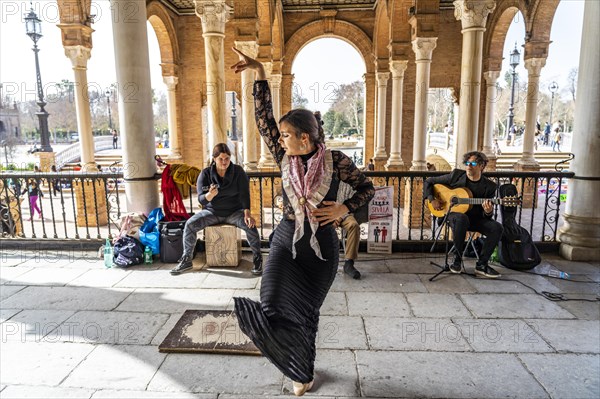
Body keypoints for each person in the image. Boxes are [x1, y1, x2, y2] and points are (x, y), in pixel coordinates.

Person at [231, 48, 375, 396]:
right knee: (270, 303)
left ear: (305, 138)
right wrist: (260, 71)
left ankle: (302, 372)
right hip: (286, 238)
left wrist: (344, 210)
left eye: (286, 136)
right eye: (280, 136)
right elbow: (262, 118)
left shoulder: (337, 160)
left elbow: (367, 188)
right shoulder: (284, 157)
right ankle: (292, 360)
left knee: (306, 314)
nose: (280, 140)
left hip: (322, 248)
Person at [170, 143, 263, 276]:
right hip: (211, 212)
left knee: (251, 225)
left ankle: (257, 258)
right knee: (190, 224)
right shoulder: (205, 173)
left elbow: (244, 194)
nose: (224, 162)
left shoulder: (238, 171)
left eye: (227, 158)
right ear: (214, 159)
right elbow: (201, 199)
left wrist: (247, 213)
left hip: (234, 212)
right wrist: (210, 195)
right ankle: (187, 259)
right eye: (221, 159)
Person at [423, 151, 503, 278]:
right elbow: (429, 181)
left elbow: (486, 215)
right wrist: (432, 199)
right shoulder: (456, 176)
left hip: (476, 219)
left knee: (497, 228)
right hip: (453, 216)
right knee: (461, 218)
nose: (468, 166)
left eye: (473, 163)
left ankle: (482, 265)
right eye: (467, 163)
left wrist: (488, 212)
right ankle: (457, 261)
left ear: (482, 166)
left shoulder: (490, 187)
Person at [333, 181, 368, 280]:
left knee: (354, 225)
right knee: (321, 226)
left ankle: (349, 262)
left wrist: (338, 218)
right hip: (327, 213)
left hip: (345, 214)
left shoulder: (349, 182)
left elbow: (351, 205)